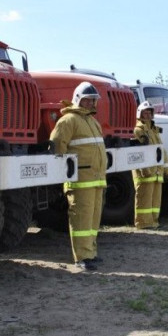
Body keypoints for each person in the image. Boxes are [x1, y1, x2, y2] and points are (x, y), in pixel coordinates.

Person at [49, 81, 107, 271]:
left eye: (92, 100)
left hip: (96, 179)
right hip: (81, 181)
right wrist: (63, 175)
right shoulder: (68, 120)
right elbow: (58, 147)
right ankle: (82, 257)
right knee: (81, 219)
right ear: (78, 100)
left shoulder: (92, 121)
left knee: (92, 220)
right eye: (87, 100)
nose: (90, 103)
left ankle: (90, 252)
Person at [132, 101, 168, 229]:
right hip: (145, 173)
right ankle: (143, 223)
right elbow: (137, 153)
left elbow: (162, 151)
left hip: (156, 172)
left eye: (150, 112)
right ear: (140, 114)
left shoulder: (154, 130)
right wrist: (144, 169)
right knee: (144, 199)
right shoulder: (137, 130)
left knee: (155, 201)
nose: (148, 115)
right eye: (145, 112)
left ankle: (153, 222)